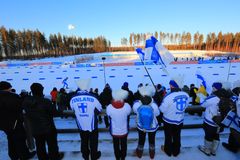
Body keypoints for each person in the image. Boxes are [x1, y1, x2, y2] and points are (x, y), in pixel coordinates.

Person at [22, 83, 63, 160]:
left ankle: (42, 158)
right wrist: (61, 111)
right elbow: (55, 113)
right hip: (48, 128)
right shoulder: (45, 101)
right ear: (41, 90)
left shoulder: (26, 101)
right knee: (52, 145)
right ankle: (54, 157)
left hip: (35, 128)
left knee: (39, 145)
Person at [0, 81, 36, 160]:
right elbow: (20, 107)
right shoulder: (12, 96)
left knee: (10, 138)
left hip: (3, 124)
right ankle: (24, 155)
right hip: (15, 122)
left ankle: (13, 155)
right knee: (20, 138)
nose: (11, 88)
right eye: (10, 87)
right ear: (7, 88)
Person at [70, 79, 102, 160]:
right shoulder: (93, 97)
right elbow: (99, 109)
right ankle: (94, 156)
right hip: (92, 125)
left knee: (84, 141)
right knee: (93, 142)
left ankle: (85, 156)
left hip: (81, 125)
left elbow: (73, 109)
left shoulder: (73, 98)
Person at [159, 80, 189, 157]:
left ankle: (168, 151)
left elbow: (162, 109)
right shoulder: (186, 95)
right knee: (177, 135)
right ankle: (176, 151)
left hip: (169, 121)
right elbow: (185, 106)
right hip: (180, 120)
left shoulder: (168, 96)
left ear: (172, 86)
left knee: (168, 136)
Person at [133, 85, 160, 159]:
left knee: (141, 139)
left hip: (141, 126)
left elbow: (135, 111)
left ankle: (139, 153)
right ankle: (152, 153)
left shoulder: (136, 104)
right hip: (152, 126)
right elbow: (157, 114)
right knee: (152, 140)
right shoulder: (154, 104)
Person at [198, 82, 223, 156]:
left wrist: (200, 96)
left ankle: (207, 150)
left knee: (208, 135)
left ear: (214, 88)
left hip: (210, 120)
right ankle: (214, 150)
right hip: (220, 121)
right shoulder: (224, 96)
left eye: (213, 87)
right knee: (216, 135)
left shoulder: (213, 97)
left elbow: (203, 104)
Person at [106, 89, 131, 160]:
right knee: (124, 144)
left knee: (115, 145)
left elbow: (108, 115)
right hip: (124, 130)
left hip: (114, 131)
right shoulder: (127, 106)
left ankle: (117, 157)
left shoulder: (109, 107)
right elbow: (128, 113)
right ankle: (123, 157)